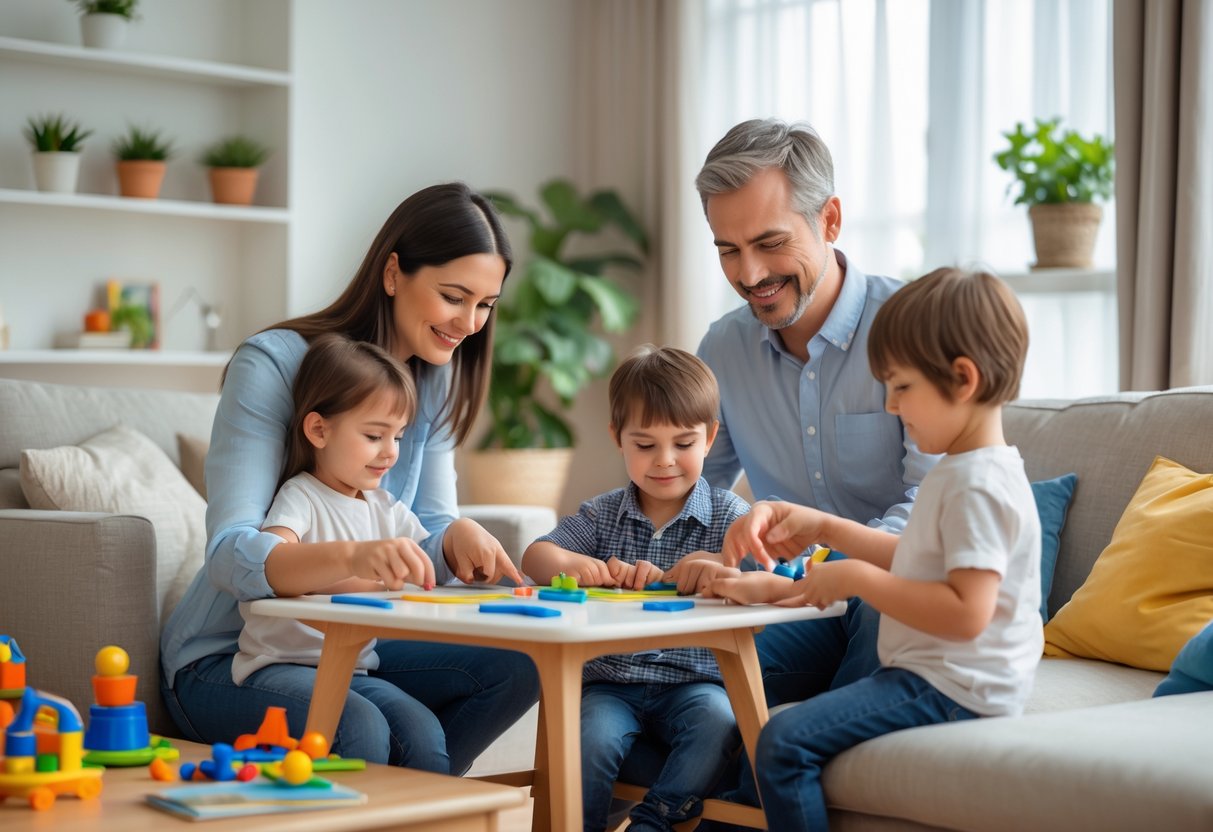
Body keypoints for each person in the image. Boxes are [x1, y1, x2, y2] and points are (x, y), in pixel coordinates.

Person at [160, 183, 539, 774]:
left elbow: (425, 532)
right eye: (453, 297)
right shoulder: (275, 363)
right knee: (359, 725)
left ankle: (416, 801)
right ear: (393, 273)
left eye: (486, 304)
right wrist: (359, 557)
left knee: (521, 665)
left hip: (353, 642)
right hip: (232, 655)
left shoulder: (433, 384)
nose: (470, 323)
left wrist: (453, 538)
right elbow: (231, 556)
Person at [710, 267, 1043, 831]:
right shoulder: (966, 470)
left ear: (962, 380)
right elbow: (909, 557)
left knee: (782, 743)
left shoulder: (977, 485)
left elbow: (967, 614)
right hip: (942, 679)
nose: (891, 406)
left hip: (953, 688)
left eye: (902, 387)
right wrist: (827, 529)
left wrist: (855, 580)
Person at [693, 118, 938, 706]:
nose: (749, 275)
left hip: (896, 590)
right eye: (729, 250)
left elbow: (933, 509)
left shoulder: (913, 328)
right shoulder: (722, 349)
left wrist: (826, 573)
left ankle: (790, 758)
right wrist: (691, 556)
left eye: (771, 243)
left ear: (829, 219)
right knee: (669, 665)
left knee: (884, 613)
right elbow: (690, 490)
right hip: (797, 605)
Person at [521, 345, 750, 832]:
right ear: (617, 439)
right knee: (589, 740)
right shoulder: (603, 514)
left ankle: (655, 821)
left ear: (709, 438)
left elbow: (761, 570)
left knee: (720, 724)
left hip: (696, 684)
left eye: (683, 444)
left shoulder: (730, 516)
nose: (664, 461)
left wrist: (715, 565)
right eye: (645, 445)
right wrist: (578, 565)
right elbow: (536, 555)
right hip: (610, 685)